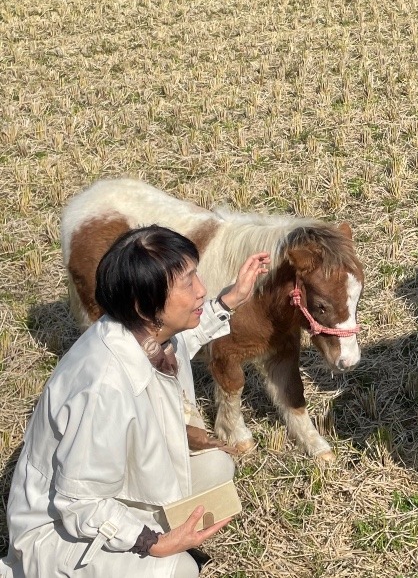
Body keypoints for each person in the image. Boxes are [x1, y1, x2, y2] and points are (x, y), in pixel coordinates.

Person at [1, 226, 271, 577]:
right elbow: (77, 503)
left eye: (196, 275)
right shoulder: (103, 388)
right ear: (145, 306)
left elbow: (181, 344)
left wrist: (230, 301)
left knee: (216, 468)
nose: (201, 289)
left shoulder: (141, 332)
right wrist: (152, 543)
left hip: (112, 493)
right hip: (59, 532)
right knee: (179, 570)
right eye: (188, 283)